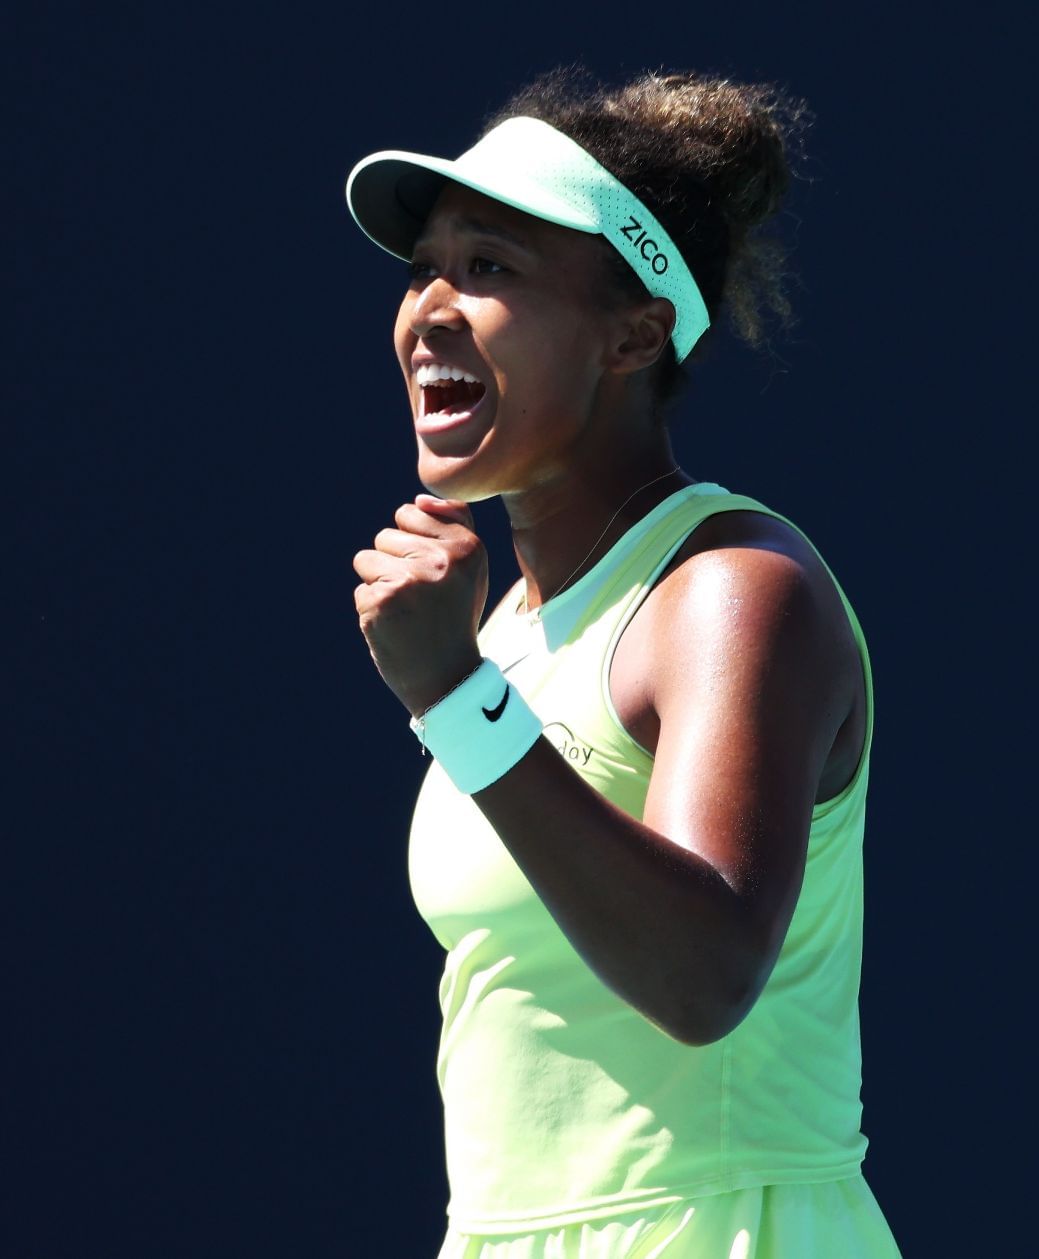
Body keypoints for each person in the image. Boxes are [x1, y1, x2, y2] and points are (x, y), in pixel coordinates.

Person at [346, 68, 900, 1258]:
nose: (431, 306)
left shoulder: (738, 590)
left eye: (489, 267)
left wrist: (455, 699)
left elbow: (704, 977)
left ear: (634, 332)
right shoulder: (502, 638)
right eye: (422, 267)